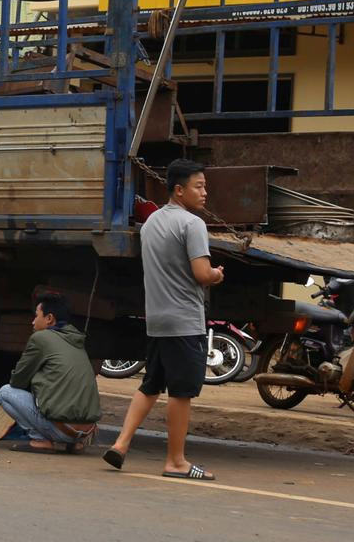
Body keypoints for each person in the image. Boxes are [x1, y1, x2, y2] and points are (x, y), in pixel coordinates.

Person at [104, 159, 224, 480]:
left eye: (205, 186)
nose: (204, 193)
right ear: (179, 189)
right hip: (185, 320)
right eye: (198, 187)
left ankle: (120, 444)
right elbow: (200, 273)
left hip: (156, 319)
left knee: (151, 384)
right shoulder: (193, 224)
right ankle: (176, 461)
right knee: (181, 392)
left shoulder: (153, 222)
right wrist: (216, 275)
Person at [0, 291, 102, 454]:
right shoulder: (77, 340)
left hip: (62, 430)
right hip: (86, 432)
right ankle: (76, 443)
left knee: (5, 392)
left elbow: (18, 381)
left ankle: (40, 440)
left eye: (36, 316)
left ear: (49, 319)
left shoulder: (41, 338)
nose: (32, 322)